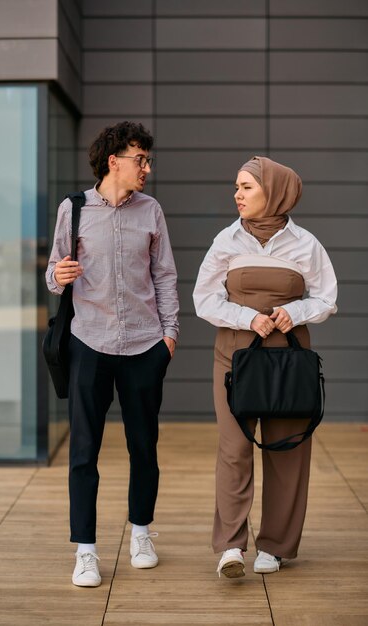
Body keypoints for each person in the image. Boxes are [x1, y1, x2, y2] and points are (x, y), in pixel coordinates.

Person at [46, 121, 179, 587]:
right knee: (84, 450)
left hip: (145, 346)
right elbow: (53, 271)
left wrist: (170, 337)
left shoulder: (151, 211)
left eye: (148, 159)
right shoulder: (75, 209)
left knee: (144, 447)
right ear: (113, 161)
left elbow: (164, 276)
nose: (147, 167)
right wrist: (58, 275)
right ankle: (86, 551)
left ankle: (140, 533)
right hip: (89, 343)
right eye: (140, 158)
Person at [193, 156, 337, 578]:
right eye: (236, 187)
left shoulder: (306, 244)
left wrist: (297, 311)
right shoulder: (226, 241)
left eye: (246, 187)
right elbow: (204, 300)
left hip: (290, 361)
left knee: (288, 450)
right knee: (234, 450)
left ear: (274, 192)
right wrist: (246, 317)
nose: (237, 195)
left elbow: (327, 298)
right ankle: (231, 548)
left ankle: (274, 547)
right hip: (234, 359)